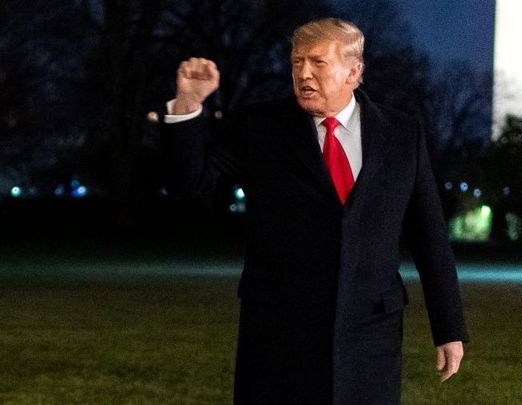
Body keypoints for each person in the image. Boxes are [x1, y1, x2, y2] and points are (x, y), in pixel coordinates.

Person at [163, 17, 466, 405]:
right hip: (279, 335)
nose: (303, 73)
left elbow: (430, 236)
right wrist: (188, 106)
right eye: (296, 63)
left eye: (318, 63)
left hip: (370, 333)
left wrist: (448, 327)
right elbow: (192, 188)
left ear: (353, 72)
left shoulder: (403, 134)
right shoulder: (261, 127)